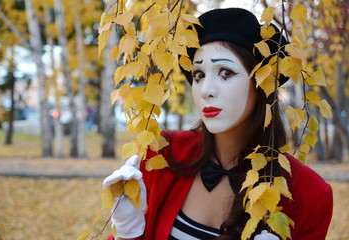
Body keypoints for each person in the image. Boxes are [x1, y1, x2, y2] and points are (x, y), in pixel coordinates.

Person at [103, 8, 333, 240]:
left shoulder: (310, 194)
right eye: (199, 75)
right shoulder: (161, 156)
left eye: (225, 72)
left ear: (261, 85)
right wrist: (126, 233)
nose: (207, 91)